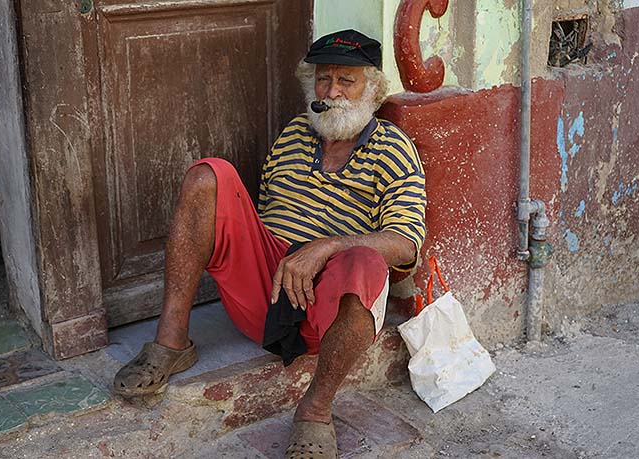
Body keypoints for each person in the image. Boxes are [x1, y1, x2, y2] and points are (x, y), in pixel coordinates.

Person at [113, 29, 426, 458]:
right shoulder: (295, 134)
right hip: (266, 283)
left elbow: (406, 245)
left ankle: (316, 409)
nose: (331, 91)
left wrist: (324, 248)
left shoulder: (393, 148)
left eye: (346, 81)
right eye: (323, 79)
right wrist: (280, 254)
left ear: (372, 89)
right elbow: (262, 211)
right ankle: (171, 343)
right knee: (209, 175)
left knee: (367, 264)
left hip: (326, 300)